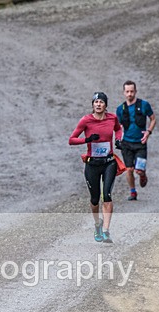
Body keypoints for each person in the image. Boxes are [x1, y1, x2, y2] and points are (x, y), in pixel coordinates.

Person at [69, 91, 123, 243]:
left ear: (106, 105)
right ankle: (97, 224)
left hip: (109, 162)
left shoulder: (112, 118)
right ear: (93, 105)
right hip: (92, 163)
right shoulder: (86, 121)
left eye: (101, 102)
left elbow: (118, 129)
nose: (98, 104)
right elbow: (71, 140)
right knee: (94, 199)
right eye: (96, 102)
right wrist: (87, 139)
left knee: (107, 195)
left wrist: (118, 140)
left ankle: (106, 230)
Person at [115, 80, 156, 201]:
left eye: (132, 91)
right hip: (126, 143)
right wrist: (118, 137)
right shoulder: (120, 109)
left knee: (139, 170)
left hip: (140, 143)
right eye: (127, 91)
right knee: (129, 169)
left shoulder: (144, 105)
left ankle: (143, 174)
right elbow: (118, 126)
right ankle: (133, 192)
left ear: (135, 92)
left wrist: (148, 132)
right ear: (123, 93)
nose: (129, 94)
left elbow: (153, 119)